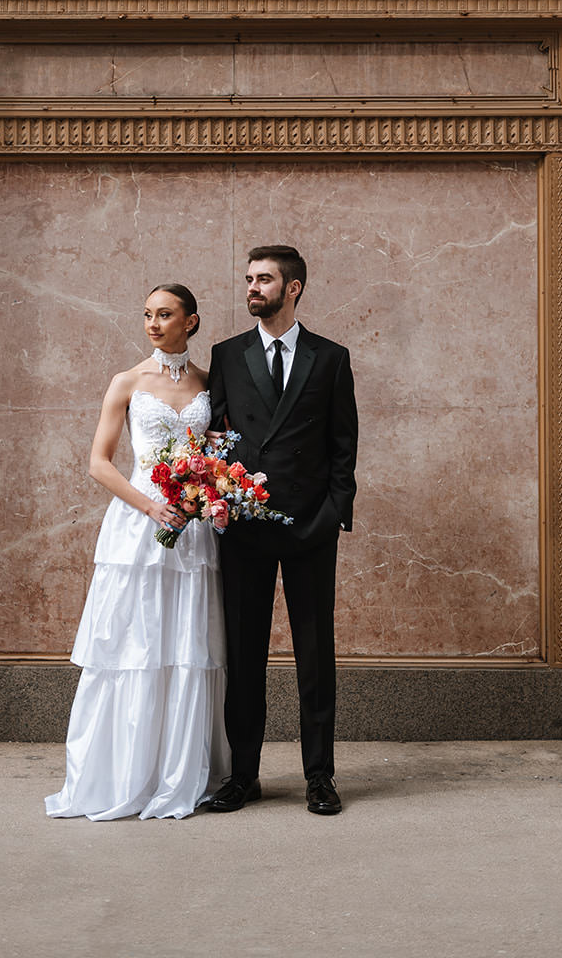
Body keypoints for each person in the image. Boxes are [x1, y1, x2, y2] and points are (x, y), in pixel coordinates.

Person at [45, 284, 229, 821]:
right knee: (133, 643)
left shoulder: (208, 384)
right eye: (147, 314)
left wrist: (205, 495)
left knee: (187, 646)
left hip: (191, 528)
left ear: (190, 323)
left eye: (165, 315)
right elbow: (99, 463)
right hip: (139, 524)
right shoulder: (126, 381)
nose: (152, 323)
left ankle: (180, 773)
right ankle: (122, 773)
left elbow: (217, 451)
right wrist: (150, 507)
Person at [206, 245, 358, 816]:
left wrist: (331, 516)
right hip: (244, 528)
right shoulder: (226, 354)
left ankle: (320, 776)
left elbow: (344, 447)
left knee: (316, 657)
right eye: (248, 278)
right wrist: (221, 502)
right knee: (244, 657)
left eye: (264, 279)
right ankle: (244, 775)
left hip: (309, 529)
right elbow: (214, 439)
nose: (252, 287)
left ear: (292, 288)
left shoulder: (331, 358)